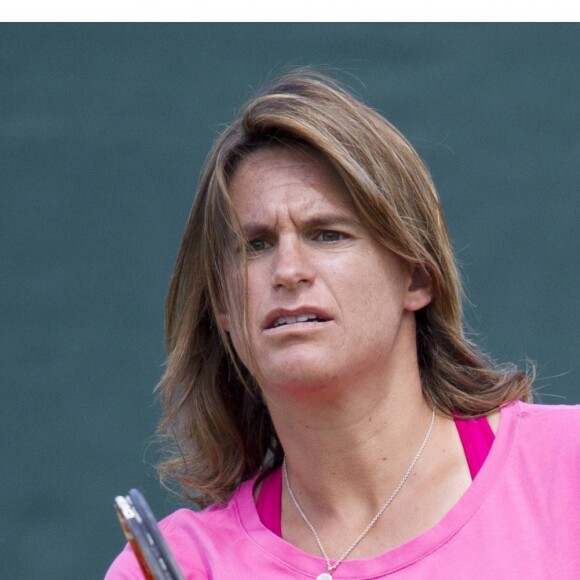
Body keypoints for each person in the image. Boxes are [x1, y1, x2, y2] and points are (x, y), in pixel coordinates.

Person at [106, 70, 580, 579]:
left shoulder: (565, 468)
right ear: (222, 305)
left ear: (417, 277)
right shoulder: (187, 563)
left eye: (327, 235)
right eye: (256, 245)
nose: (288, 271)